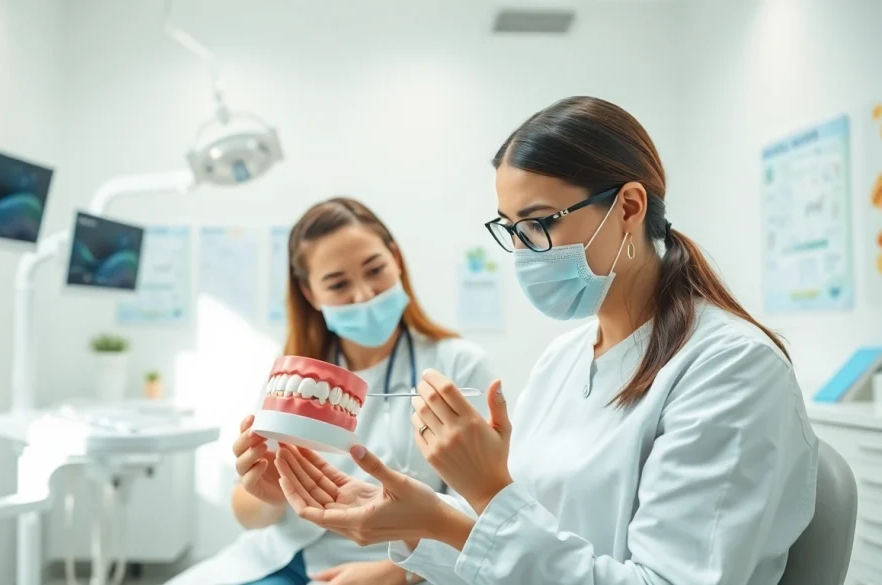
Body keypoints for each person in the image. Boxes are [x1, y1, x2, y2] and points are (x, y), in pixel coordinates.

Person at [273, 97, 819, 585]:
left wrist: (481, 497)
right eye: (511, 228)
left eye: (539, 223)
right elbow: (524, 545)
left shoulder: (731, 368)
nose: (523, 251)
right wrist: (419, 517)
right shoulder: (565, 360)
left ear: (628, 207)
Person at [167, 197, 494, 585]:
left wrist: (397, 573)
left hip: (403, 565)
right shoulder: (295, 374)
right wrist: (269, 495)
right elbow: (249, 513)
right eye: (338, 284)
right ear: (310, 294)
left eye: (375, 270)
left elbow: (487, 509)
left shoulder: (458, 365)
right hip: (285, 558)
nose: (364, 295)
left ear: (396, 259)